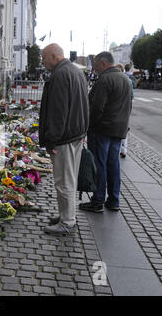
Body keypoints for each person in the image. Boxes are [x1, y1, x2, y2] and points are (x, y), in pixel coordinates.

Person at [38, 43, 89, 236]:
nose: (43, 63)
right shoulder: (75, 72)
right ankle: (66, 216)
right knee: (69, 178)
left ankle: (67, 221)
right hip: (75, 135)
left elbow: (58, 112)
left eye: (44, 58)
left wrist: (52, 140)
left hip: (64, 138)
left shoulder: (60, 75)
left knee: (64, 181)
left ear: (53, 56)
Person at [80, 52, 132, 213]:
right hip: (118, 130)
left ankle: (97, 200)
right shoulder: (125, 79)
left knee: (99, 164)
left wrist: (89, 126)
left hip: (102, 129)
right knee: (113, 164)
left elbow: (96, 108)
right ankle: (114, 200)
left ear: (103, 63)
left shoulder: (105, 80)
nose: (94, 69)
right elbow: (128, 106)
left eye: (96, 65)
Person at [116, 64, 134, 158]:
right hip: (126, 108)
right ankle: (124, 150)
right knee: (124, 129)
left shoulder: (118, 79)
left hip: (120, 108)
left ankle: (121, 149)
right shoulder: (129, 80)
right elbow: (132, 96)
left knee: (121, 130)